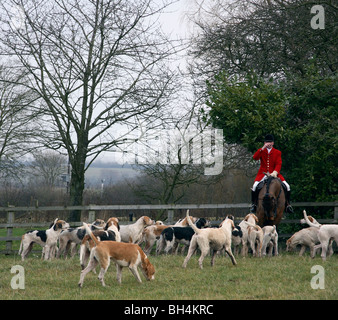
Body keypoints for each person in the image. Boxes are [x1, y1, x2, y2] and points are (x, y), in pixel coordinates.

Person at [250, 134, 293, 214]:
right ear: (264, 143)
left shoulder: (277, 152)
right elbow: (255, 157)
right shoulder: (262, 151)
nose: (268, 143)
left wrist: (275, 172)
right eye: (267, 142)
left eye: (270, 142)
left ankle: (287, 205)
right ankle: (254, 205)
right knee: (254, 186)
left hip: (274, 173)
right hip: (262, 174)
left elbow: (278, 163)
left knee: (287, 186)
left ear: (273, 143)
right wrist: (262, 148)